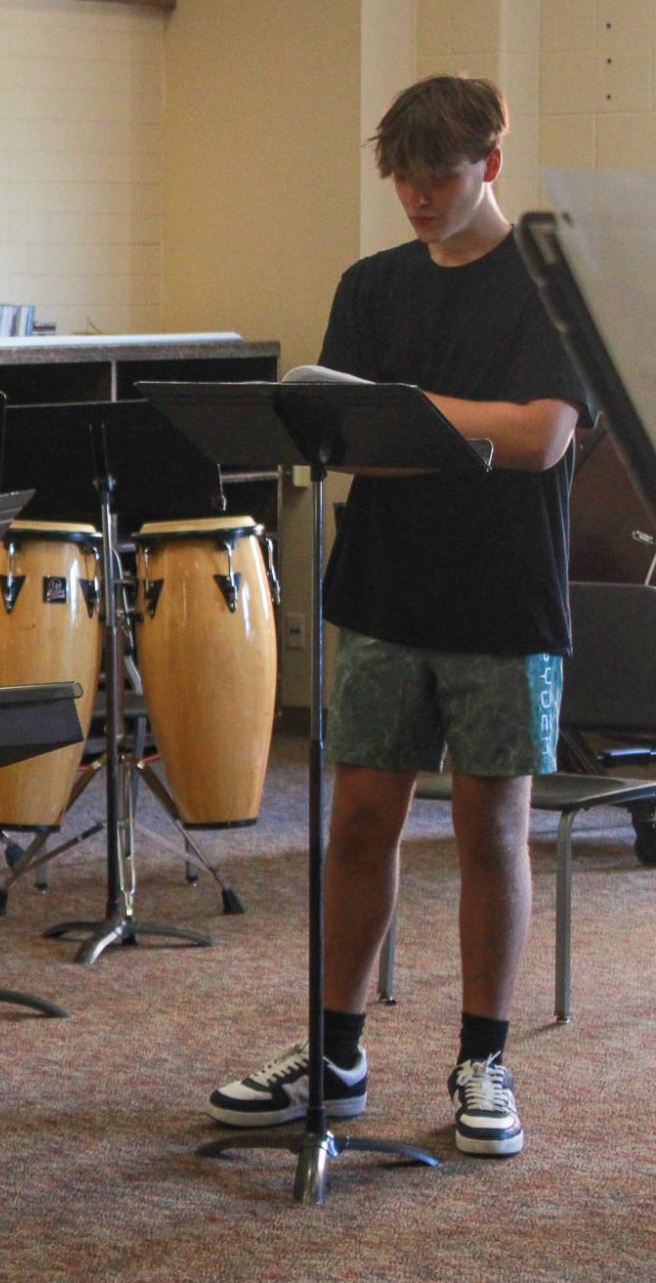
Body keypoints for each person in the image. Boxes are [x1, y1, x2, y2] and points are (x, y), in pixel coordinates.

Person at [206, 76, 591, 1158]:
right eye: (406, 179)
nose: (420, 196)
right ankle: (334, 1046)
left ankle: (484, 1057)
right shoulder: (373, 285)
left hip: (505, 597)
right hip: (382, 585)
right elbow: (337, 433)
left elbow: (541, 438)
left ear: (490, 165)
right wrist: (443, 428)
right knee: (359, 823)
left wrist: (411, 414)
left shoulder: (553, 288)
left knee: (488, 832)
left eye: (442, 175)